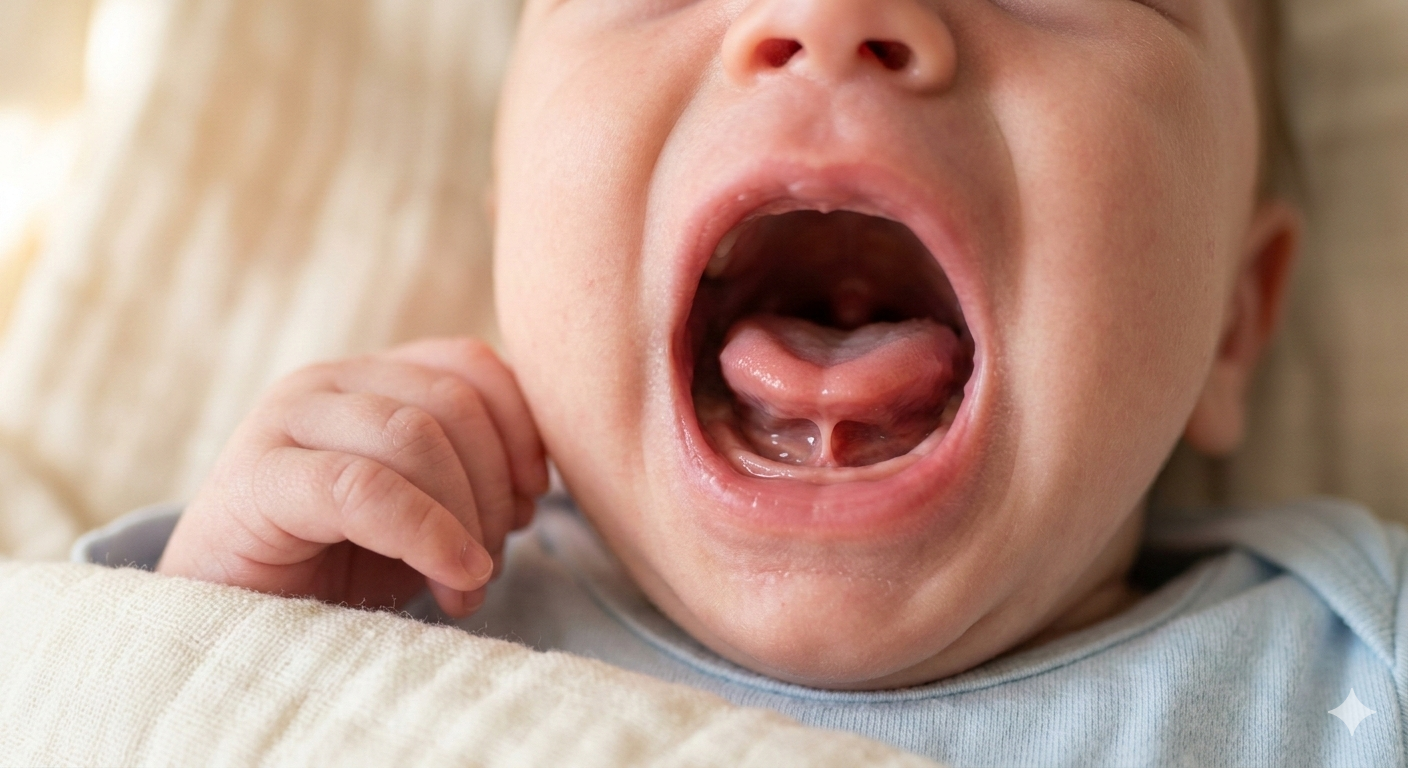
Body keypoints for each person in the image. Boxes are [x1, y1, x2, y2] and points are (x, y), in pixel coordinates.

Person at [81, 0, 1407, 763]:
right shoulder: (376, 595)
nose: (831, 16)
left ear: (1235, 320)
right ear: (514, 257)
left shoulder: (1359, 660)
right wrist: (233, 661)